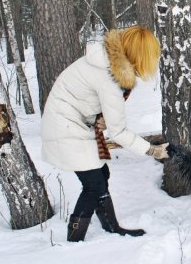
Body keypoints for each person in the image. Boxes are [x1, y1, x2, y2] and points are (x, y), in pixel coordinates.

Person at [41, 26, 168, 242]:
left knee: (101, 176)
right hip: (65, 128)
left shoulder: (107, 62)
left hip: (72, 123)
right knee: (93, 185)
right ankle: (74, 237)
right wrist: (152, 150)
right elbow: (118, 132)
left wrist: (98, 116)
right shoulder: (109, 77)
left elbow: (85, 98)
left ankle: (112, 226)